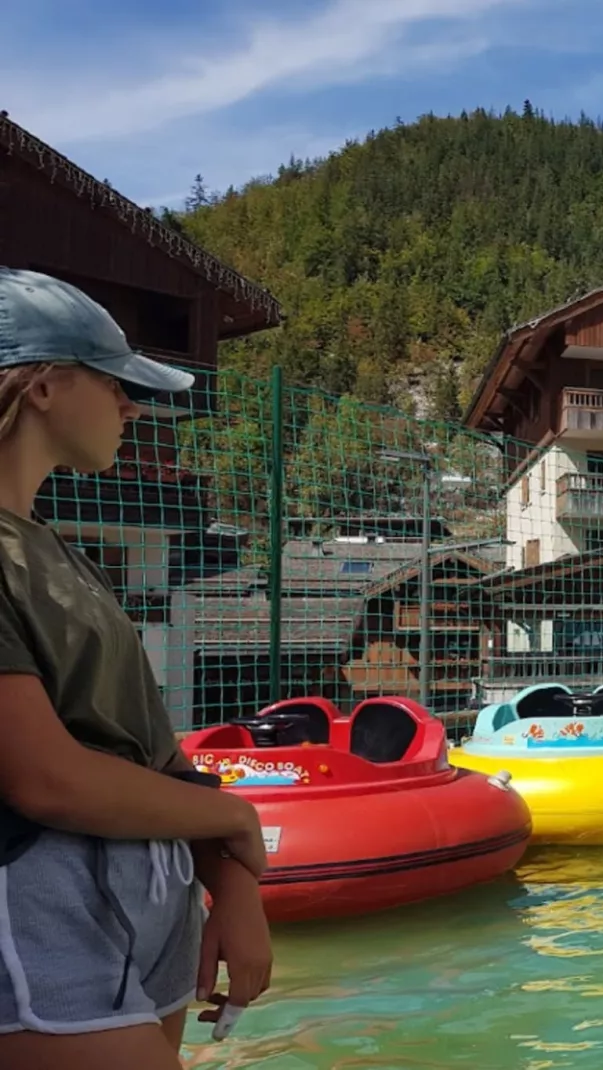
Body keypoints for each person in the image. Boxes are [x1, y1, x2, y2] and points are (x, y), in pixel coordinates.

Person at [0, 269, 272, 1070]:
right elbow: (44, 779)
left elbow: (153, 753)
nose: (133, 407)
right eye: (115, 383)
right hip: (42, 918)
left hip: (142, 916)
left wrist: (233, 881)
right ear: (44, 385)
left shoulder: (57, 551)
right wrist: (235, 822)